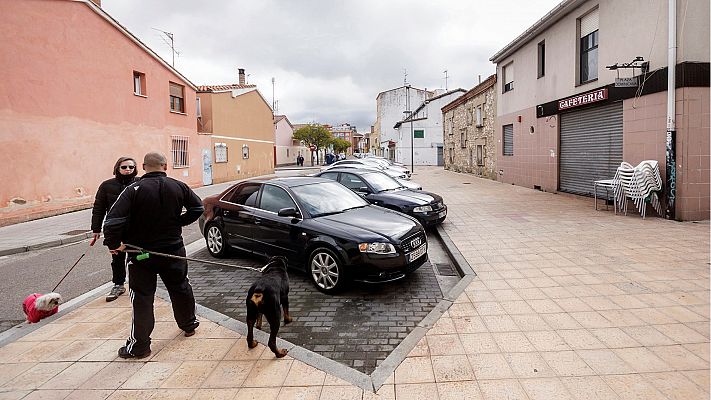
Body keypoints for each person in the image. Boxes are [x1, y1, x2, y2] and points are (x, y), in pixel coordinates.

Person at [103, 152, 204, 359]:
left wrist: (114, 245)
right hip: (174, 251)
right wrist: (179, 222)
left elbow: (112, 221)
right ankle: (189, 324)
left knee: (142, 298)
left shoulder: (133, 190)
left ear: (143, 166)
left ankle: (140, 347)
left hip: (141, 255)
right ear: (165, 166)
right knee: (181, 287)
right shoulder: (179, 186)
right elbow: (198, 208)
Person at [90, 156, 138, 302]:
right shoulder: (106, 186)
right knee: (117, 257)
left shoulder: (140, 183)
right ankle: (118, 284)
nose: (128, 170)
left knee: (138, 256)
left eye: (131, 167)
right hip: (116, 229)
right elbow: (99, 209)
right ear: (117, 168)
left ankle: (139, 284)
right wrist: (96, 229)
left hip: (136, 227)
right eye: (124, 167)